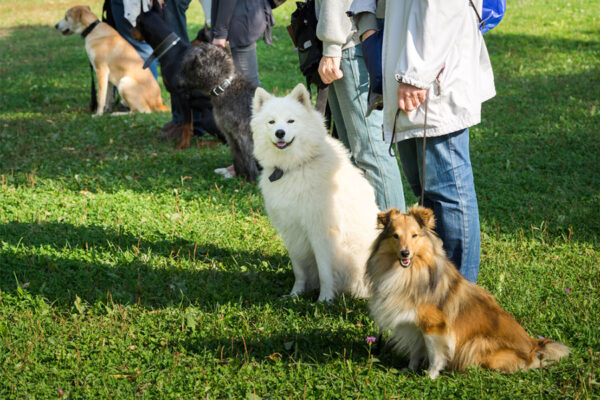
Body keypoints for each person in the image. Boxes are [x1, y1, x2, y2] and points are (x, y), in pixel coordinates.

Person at [350, 0, 496, 283]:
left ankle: (458, 302)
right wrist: (368, 28)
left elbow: (445, 6)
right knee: (428, 194)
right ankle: (433, 292)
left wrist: (417, 74)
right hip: (406, 73)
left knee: (446, 194)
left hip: (430, 77)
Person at [315, 0, 405, 213]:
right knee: (354, 154)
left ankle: (394, 238)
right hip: (350, 39)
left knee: (370, 152)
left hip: (349, 42)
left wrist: (332, 46)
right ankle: (370, 234)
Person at [210, 0, 274, 87]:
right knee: (243, 84)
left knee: (248, 85)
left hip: (239, 22)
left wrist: (221, 32)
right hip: (243, 16)